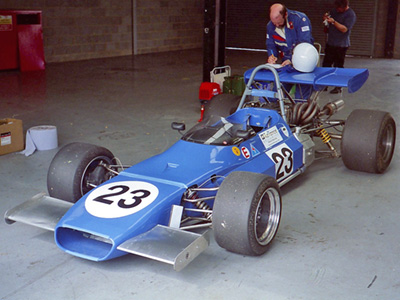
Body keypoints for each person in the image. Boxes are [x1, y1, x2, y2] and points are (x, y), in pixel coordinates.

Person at [266, 3, 315, 100]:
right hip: (286, 64)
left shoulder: (300, 19)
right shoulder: (270, 26)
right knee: (276, 94)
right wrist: (272, 56)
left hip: (303, 63)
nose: (276, 25)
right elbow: (270, 45)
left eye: (279, 23)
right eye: (274, 23)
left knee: (300, 100)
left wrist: (292, 60)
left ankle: (302, 112)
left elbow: (304, 44)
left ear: (285, 15)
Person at [322, 0, 356, 94]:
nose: (337, 10)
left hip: (341, 44)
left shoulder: (350, 15)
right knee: (326, 64)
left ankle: (338, 86)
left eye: (339, 8)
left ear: (345, 7)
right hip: (331, 42)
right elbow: (328, 25)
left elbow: (344, 29)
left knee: (338, 66)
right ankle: (324, 84)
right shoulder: (334, 11)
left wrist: (333, 22)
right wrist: (326, 19)